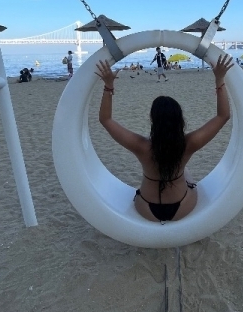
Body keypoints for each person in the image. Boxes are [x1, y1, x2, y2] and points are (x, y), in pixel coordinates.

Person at [95, 54, 234, 223]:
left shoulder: (140, 146)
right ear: (179, 120)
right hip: (182, 206)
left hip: (146, 207)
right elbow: (223, 116)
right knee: (186, 173)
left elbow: (106, 120)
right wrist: (219, 79)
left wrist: (108, 86)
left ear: (153, 120)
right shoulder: (189, 144)